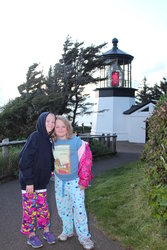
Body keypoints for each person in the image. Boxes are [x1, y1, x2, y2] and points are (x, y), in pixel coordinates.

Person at [53, 115, 94, 250]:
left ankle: (84, 237)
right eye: (57, 126)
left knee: (79, 209)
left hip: (75, 182)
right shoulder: (53, 142)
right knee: (63, 208)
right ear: (53, 128)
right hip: (60, 183)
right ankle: (68, 230)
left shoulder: (76, 141)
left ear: (68, 127)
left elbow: (86, 161)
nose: (60, 129)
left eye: (62, 126)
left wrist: (84, 180)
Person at [19, 112, 56, 248]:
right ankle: (31, 236)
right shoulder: (35, 137)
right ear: (41, 122)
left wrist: (51, 169)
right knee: (30, 210)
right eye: (48, 121)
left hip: (41, 183)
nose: (51, 124)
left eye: (53, 122)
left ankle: (46, 231)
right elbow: (24, 161)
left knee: (43, 209)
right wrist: (29, 181)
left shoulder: (49, 139)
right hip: (29, 183)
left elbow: (49, 157)